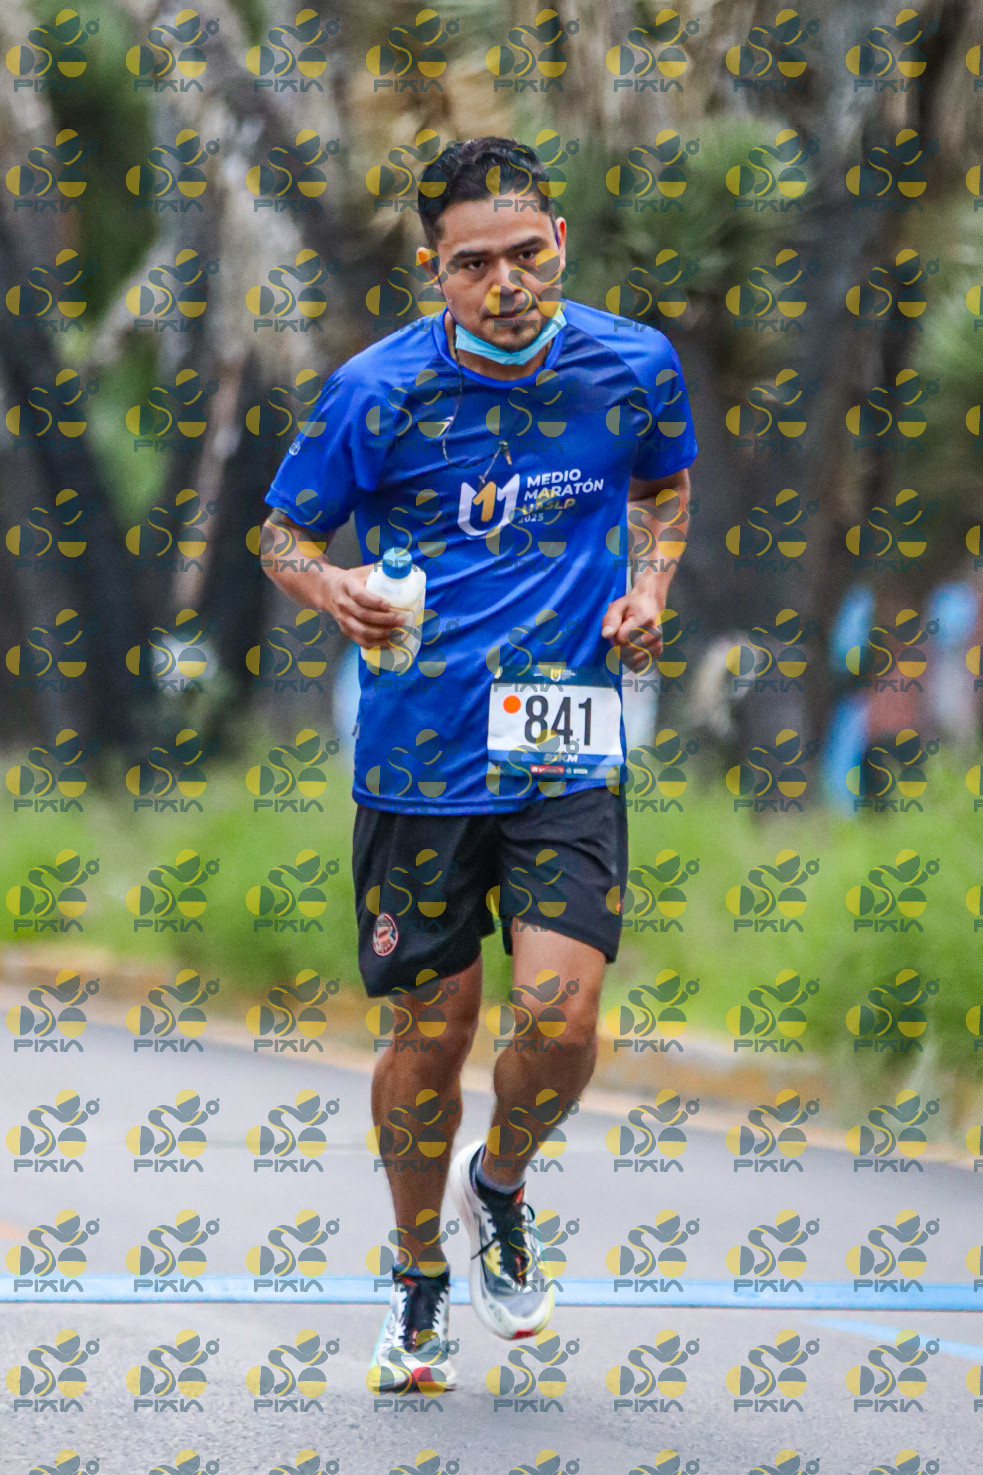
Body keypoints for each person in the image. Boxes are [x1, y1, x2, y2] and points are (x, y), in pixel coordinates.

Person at [260, 135, 698, 1394]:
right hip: (420, 760)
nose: (504, 284)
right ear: (432, 271)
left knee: (560, 1019)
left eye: (523, 254)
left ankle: (496, 1182)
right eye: (471, 264)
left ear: (557, 240)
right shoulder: (373, 391)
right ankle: (416, 1275)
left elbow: (662, 488)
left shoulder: (633, 363)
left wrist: (648, 587)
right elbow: (281, 533)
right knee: (431, 1029)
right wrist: (332, 586)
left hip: (563, 742)